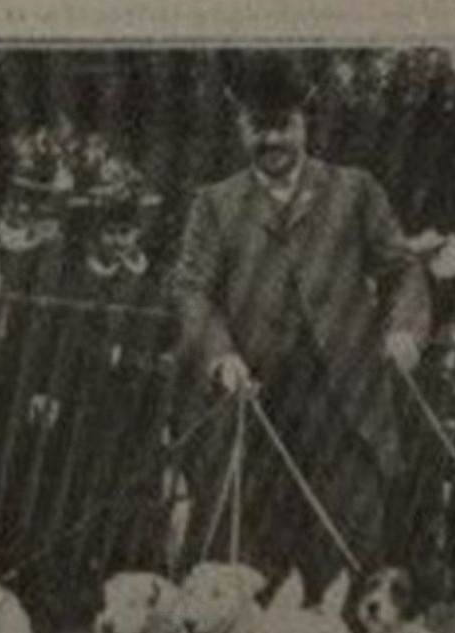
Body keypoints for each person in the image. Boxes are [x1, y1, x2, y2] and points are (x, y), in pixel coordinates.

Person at [166, 53, 430, 600]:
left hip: (344, 410)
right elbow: (192, 290)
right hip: (254, 408)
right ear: (241, 127)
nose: (272, 141)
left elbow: (403, 268)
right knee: (252, 575)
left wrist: (405, 330)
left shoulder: (354, 190)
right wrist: (221, 355)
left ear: (304, 123)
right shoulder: (214, 205)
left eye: (282, 125)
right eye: (258, 128)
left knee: (353, 567)